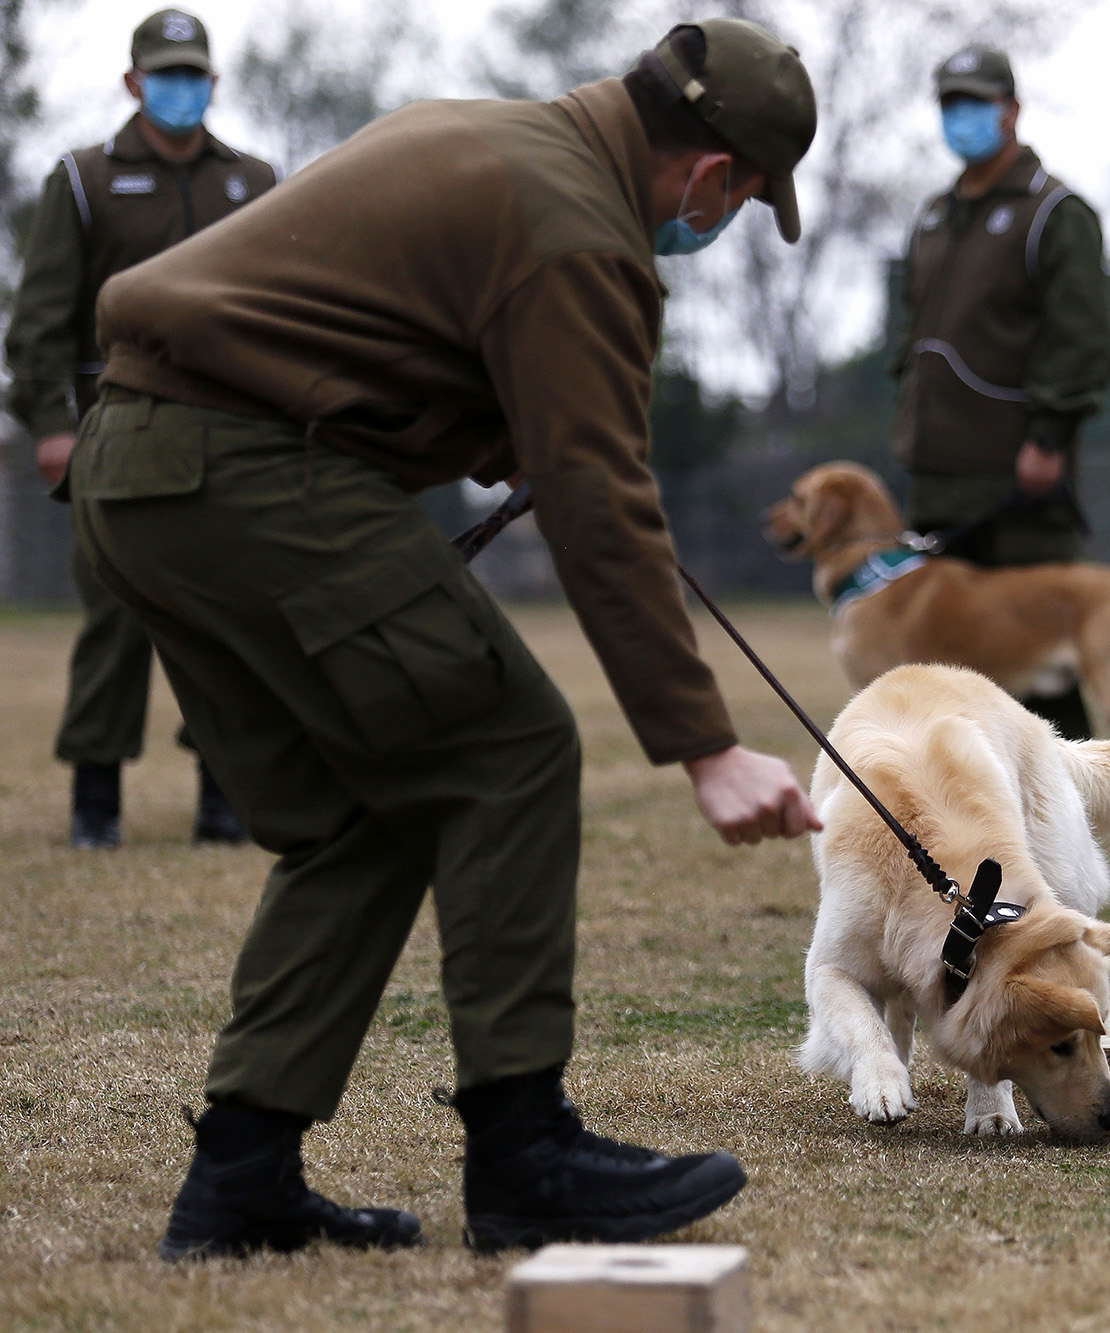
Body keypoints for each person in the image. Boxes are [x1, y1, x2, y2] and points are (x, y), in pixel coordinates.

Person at [69, 19, 820, 1260]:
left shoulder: (496, 137)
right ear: (707, 177)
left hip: (136, 466)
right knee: (512, 743)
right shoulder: (581, 227)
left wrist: (492, 433)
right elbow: (598, 493)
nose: (715, 224)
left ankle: (241, 1176)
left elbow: (372, 334)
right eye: (739, 201)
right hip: (246, 469)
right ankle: (524, 1151)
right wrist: (705, 747)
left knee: (363, 807)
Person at [4, 8, 274, 848]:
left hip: (227, 433)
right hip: (110, 433)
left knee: (230, 617)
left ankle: (224, 798)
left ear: (214, 82)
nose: (181, 88)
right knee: (116, 617)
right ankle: (96, 803)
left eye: (194, 73)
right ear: (133, 82)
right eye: (165, 73)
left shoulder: (255, 182)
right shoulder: (81, 180)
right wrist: (51, 425)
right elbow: (37, 322)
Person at [890, 45, 1110, 741]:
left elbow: (1081, 340)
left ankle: (1077, 799)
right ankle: (964, 795)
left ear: (1011, 110)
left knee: (1040, 657)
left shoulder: (1055, 214)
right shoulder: (932, 217)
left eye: (975, 102)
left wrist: (1049, 436)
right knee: (946, 658)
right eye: (950, 103)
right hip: (938, 475)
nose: (961, 116)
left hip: (1018, 476)